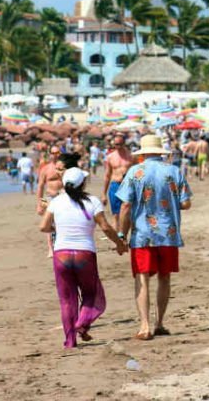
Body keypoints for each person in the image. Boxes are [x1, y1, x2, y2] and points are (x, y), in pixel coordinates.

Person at [39, 168, 127, 348]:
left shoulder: (56, 202)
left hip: (61, 254)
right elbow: (106, 227)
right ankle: (81, 324)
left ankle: (70, 341)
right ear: (83, 184)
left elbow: (43, 226)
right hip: (84, 254)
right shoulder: (92, 201)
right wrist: (120, 244)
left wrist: (59, 230)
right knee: (92, 293)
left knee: (67, 300)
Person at [117, 135, 192, 340]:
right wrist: (168, 202)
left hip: (143, 234)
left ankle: (145, 326)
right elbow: (186, 203)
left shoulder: (135, 172)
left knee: (142, 277)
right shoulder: (173, 171)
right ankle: (159, 323)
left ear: (143, 153)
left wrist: (121, 234)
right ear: (161, 152)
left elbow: (125, 205)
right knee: (164, 277)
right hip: (168, 233)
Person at [37, 146, 65, 257]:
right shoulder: (45, 168)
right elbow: (40, 186)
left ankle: (61, 244)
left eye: (57, 152)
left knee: (62, 221)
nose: (55, 155)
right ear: (50, 154)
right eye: (53, 153)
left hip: (63, 196)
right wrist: (39, 204)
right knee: (49, 223)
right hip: (50, 197)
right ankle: (50, 249)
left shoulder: (64, 167)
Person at [102, 135, 134, 231]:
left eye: (120, 144)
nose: (118, 146)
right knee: (116, 215)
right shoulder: (110, 157)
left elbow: (138, 172)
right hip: (115, 185)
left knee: (129, 212)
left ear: (124, 143)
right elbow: (107, 175)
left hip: (128, 185)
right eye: (116, 144)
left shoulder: (131, 156)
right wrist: (104, 194)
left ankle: (127, 238)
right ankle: (118, 242)